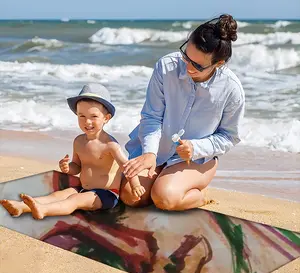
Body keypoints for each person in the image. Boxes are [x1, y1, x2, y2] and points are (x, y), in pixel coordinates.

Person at [120, 14, 245, 211]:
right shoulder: (166, 66)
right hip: (158, 149)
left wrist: (196, 147)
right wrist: (150, 153)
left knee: (165, 198)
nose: (187, 67)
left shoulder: (231, 89)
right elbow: (151, 116)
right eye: (186, 56)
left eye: (196, 65)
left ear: (218, 64)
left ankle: (199, 195)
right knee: (131, 196)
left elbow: (229, 136)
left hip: (194, 159)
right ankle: (165, 183)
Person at [0, 83, 145, 220]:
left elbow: (127, 167)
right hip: (83, 188)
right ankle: (21, 207)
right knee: (58, 195)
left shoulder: (110, 145)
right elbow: (77, 166)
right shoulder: (79, 141)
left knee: (74, 200)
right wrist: (68, 168)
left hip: (106, 195)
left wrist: (136, 185)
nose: (87, 122)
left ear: (106, 118)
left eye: (93, 116)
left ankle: (44, 210)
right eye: (82, 116)